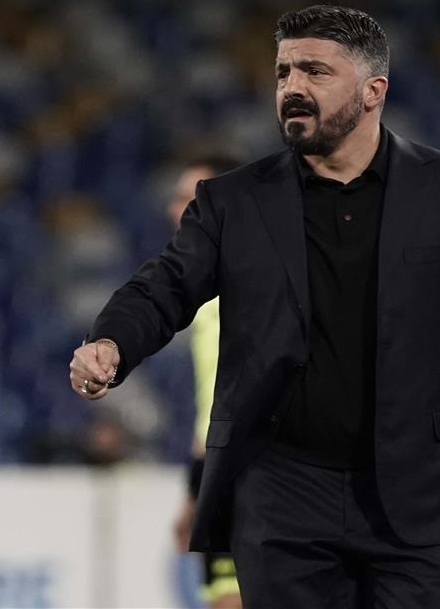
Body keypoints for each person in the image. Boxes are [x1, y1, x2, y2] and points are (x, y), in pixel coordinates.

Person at [68, 4, 440, 608]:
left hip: (421, 491)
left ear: (373, 91)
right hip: (283, 496)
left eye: (315, 71)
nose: (292, 87)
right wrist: (112, 341)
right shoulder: (233, 202)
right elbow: (164, 286)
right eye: (284, 72)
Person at [167, 156, 243, 609]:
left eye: (187, 197)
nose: (173, 209)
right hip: (222, 475)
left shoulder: (251, 288)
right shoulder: (208, 288)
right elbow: (211, 406)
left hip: (252, 477)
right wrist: (196, 493)